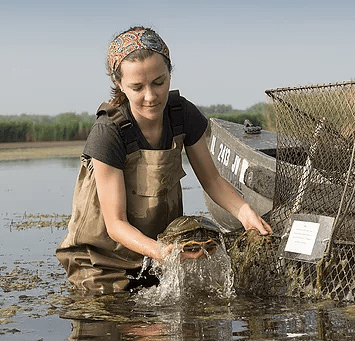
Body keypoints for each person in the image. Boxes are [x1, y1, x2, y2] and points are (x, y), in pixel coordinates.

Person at [56, 26, 272, 293]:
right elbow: (115, 224)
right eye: (137, 87)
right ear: (120, 84)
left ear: (170, 73)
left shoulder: (182, 114)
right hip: (101, 262)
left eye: (159, 82)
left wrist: (244, 212)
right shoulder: (108, 132)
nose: (151, 96)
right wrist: (161, 252)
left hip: (158, 250)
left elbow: (213, 181)